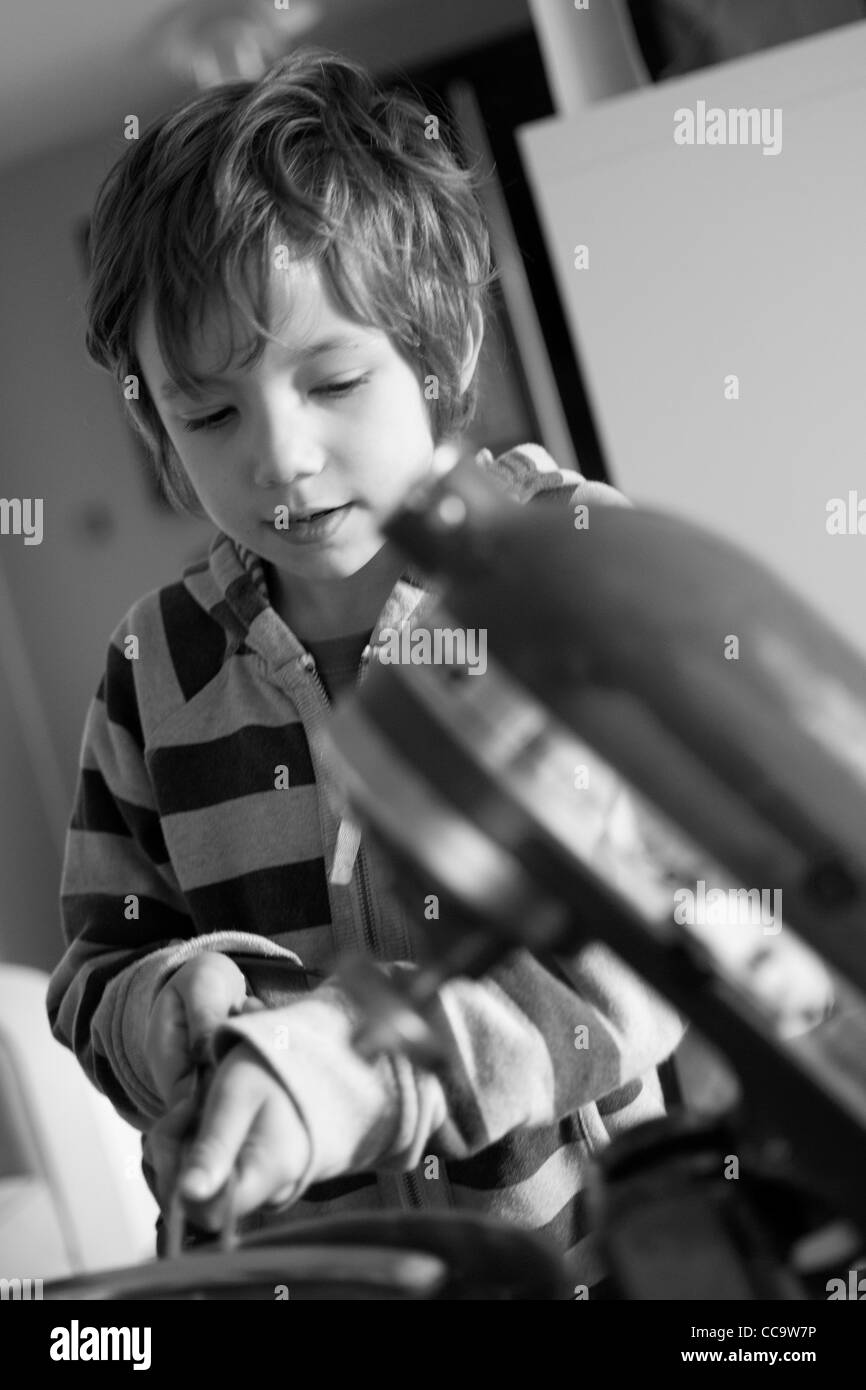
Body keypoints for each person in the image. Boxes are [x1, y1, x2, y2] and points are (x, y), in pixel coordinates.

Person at [47, 47, 685, 1291]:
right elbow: (98, 965)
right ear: (154, 425)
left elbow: (652, 949)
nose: (279, 457)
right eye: (210, 414)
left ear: (433, 359)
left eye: (332, 379)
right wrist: (162, 1006)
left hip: (583, 1260)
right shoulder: (151, 667)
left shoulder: (562, 576)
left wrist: (348, 1069)